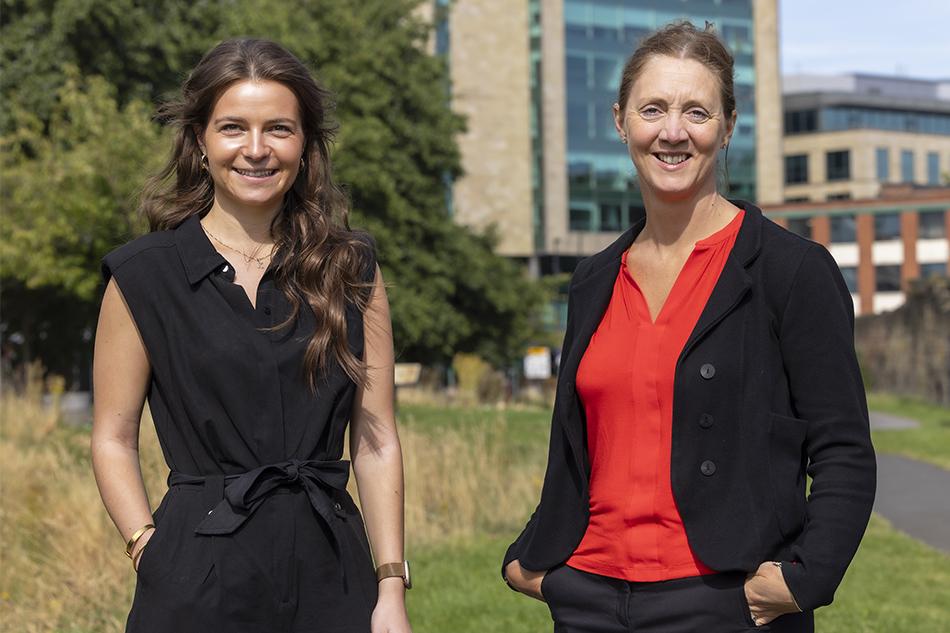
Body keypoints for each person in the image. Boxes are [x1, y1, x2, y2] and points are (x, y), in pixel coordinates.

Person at [502, 21, 875, 633]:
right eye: (653, 109)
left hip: (725, 601)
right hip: (589, 597)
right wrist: (533, 561)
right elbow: (577, 445)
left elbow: (844, 450)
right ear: (620, 121)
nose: (672, 132)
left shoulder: (792, 271)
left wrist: (801, 581)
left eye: (696, 112)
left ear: (727, 127)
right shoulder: (594, 279)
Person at [91, 38, 412, 633]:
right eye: (234, 128)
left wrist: (390, 584)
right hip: (196, 570)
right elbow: (112, 436)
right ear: (201, 140)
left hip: (331, 568)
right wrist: (147, 547)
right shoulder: (144, 275)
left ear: (306, 144)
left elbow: (375, 438)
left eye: (279, 129)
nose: (257, 150)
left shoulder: (352, 264)